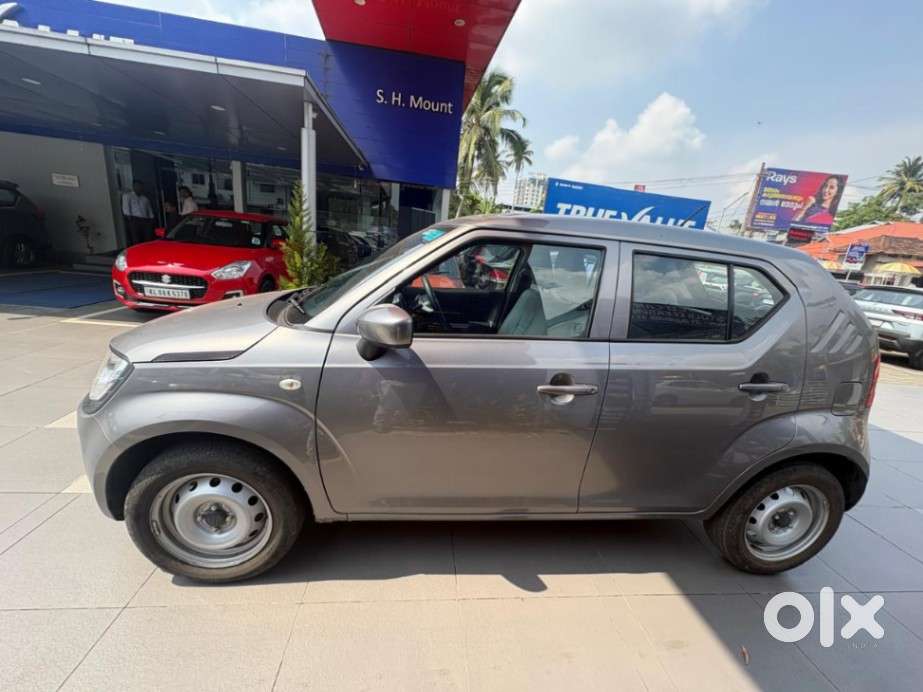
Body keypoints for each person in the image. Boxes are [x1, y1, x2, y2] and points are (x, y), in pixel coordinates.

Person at [121, 180, 154, 245]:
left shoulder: (145, 198)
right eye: (137, 186)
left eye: (140, 186)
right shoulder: (128, 196)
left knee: (148, 238)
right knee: (136, 239)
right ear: (133, 186)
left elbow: (149, 211)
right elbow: (126, 209)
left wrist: (151, 219)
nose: (139, 188)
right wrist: (130, 220)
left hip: (145, 220)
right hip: (134, 219)